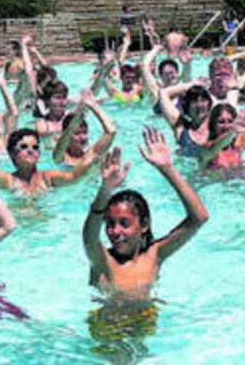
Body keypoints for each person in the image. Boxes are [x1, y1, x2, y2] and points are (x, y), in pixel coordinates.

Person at [82, 135, 208, 347]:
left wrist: (168, 169)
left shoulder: (154, 255)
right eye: (110, 223)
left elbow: (199, 218)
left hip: (144, 320)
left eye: (124, 223)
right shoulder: (103, 260)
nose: (115, 231)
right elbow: (89, 237)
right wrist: (104, 191)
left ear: (144, 225)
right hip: (108, 325)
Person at [0, 118, 99, 195]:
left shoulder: (47, 177)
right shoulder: (9, 181)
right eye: (24, 147)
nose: (31, 151)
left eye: (35, 147)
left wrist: (93, 160)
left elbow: (74, 177)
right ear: (12, 153)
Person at [200, 92, 245, 169]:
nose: (226, 126)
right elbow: (220, 144)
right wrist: (233, 131)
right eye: (221, 122)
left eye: (230, 121)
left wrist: (244, 89)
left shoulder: (238, 143)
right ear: (213, 124)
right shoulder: (207, 147)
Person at [53, 90, 116, 167]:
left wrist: (93, 106)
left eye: (85, 132)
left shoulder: (91, 155)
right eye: (77, 133)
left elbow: (111, 132)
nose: (83, 137)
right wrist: (71, 127)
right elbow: (60, 148)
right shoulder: (61, 158)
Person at [159, 83, 213, 158]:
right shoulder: (181, 127)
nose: (199, 105)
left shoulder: (218, 124)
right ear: (187, 106)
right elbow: (163, 93)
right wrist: (192, 83)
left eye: (203, 100)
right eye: (194, 101)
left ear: (209, 104)